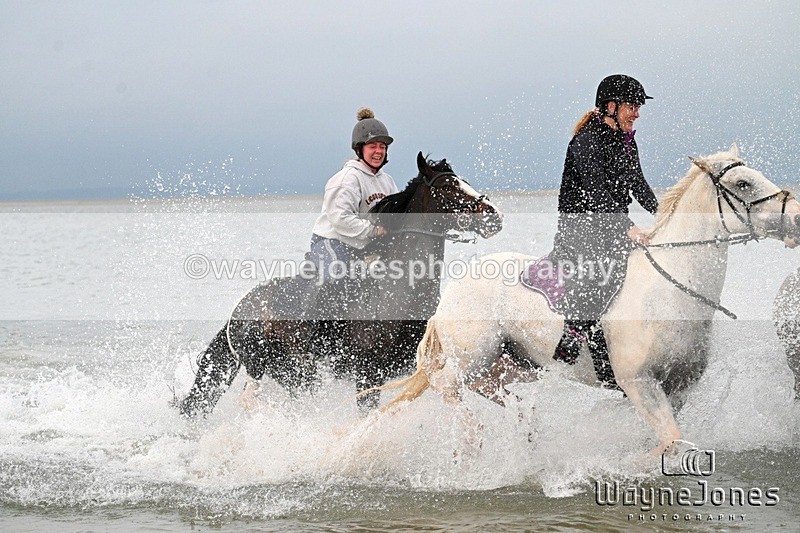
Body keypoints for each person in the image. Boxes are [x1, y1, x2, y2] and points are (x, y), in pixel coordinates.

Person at [550, 75, 659, 385]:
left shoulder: (626, 140)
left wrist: (665, 218)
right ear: (610, 106)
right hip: (580, 231)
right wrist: (630, 229)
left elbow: (639, 185)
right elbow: (597, 193)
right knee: (603, 274)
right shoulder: (585, 141)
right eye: (632, 106)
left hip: (611, 229)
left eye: (638, 107)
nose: (637, 113)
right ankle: (574, 338)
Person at [305, 107, 399, 323]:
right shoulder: (347, 178)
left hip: (366, 245)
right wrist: (373, 230)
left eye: (382, 147)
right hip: (332, 241)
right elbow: (340, 218)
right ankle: (320, 338)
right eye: (373, 146)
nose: (378, 151)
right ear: (360, 149)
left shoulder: (388, 181)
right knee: (337, 277)